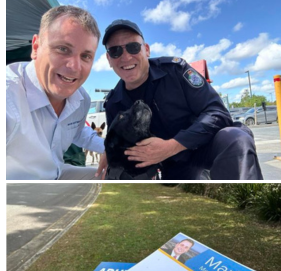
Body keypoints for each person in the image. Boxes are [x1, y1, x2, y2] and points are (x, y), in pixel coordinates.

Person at [99, 19, 263, 180]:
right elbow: (119, 143)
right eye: (115, 51)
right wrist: (110, 154)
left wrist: (172, 146)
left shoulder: (176, 71)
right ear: (109, 59)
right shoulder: (114, 103)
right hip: (163, 168)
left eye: (133, 47)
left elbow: (218, 112)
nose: (126, 57)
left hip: (201, 148)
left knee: (235, 139)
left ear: (146, 50)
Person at [6, 5, 105, 180]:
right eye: (63, 49)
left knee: (117, 176)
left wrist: (110, 151)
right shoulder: (8, 95)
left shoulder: (81, 100)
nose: (74, 66)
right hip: (15, 193)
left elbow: (77, 130)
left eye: (85, 56)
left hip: (56, 176)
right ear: (36, 47)